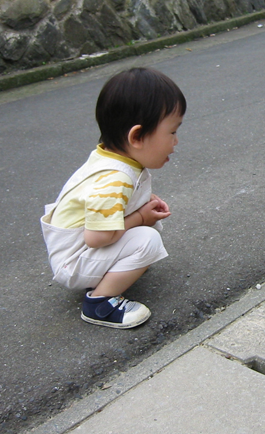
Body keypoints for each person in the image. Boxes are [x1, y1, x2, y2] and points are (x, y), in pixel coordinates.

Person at [40, 67, 186, 329]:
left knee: (144, 232)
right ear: (137, 136)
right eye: (172, 132)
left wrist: (143, 202)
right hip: (73, 260)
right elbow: (96, 237)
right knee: (148, 240)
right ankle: (99, 302)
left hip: (76, 250)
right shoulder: (114, 179)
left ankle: (115, 270)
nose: (176, 141)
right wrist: (141, 216)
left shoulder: (113, 157)